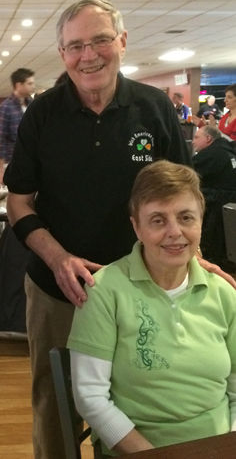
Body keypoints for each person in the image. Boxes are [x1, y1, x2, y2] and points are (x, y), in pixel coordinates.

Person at [4, 0, 234, 459]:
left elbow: (182, 195)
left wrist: (194, 255)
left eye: (100, 40)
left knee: (146, 396)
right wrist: (59, 258)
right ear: (62, 52)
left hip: (147, 290)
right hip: (58, 289)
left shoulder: (153, 108)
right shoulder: (43, 114)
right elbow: (18, 202)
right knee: (56, 404)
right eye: (75, 46)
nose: (88, 55)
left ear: (122, 43)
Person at [68, 161, 236, 457]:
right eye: (158, 220)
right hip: (139, 450)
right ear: (136, 226)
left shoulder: (224, 293)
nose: (175, 232)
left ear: (201, 220)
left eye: (186, 217)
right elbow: (90, 397)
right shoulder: (105, 291)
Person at [192, 125, 236, 271]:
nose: (193, 142)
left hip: (219, 206)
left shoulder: (212, 154)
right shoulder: (227, 150)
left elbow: (185, 173)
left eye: (196, 137)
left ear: (208, 138)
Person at [0, 68, 35, 185]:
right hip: (13, 162)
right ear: (19, 85)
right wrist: (1, 171)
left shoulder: (32, 105)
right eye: (29, 83)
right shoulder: (6, 107)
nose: (33, 86)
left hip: (32, 161)